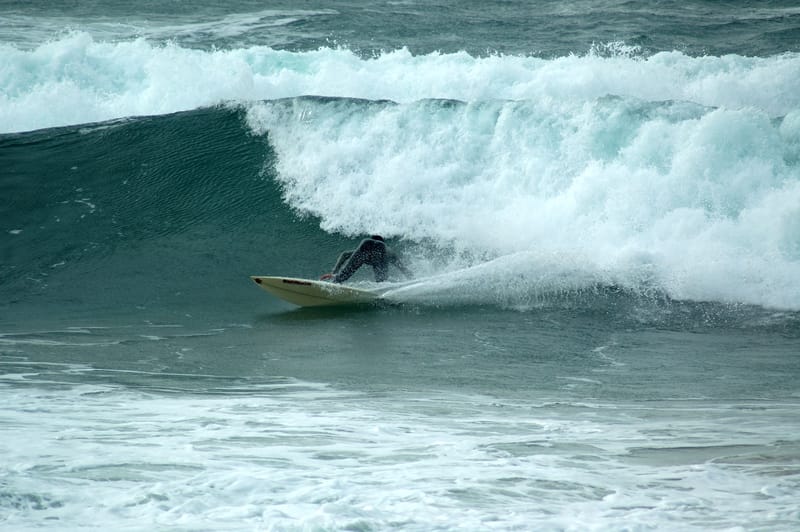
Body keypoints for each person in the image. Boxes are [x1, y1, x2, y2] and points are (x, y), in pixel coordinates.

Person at [320, 235, 412, 283]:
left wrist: (335, 272)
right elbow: (403, 268)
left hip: (365, 243)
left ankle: (333, 282)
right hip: (381, 250)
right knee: (382, 282)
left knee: (342, 277)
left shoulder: (368, 247)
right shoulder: (389, 252)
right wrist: (412, 279)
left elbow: (345, 255)